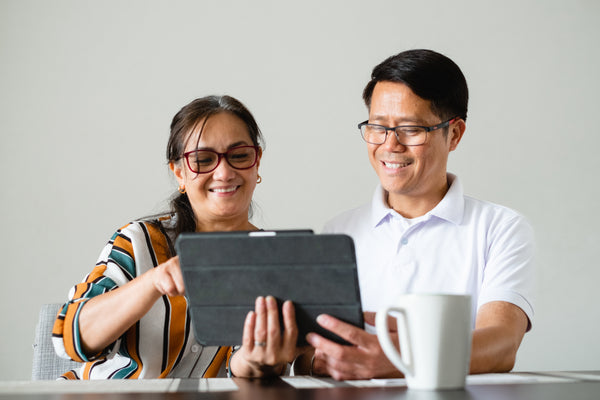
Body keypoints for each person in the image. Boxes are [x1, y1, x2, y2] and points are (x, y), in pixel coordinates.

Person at [302, 49, 535, 380]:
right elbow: (313, 349)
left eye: (410, 129)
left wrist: (400, 357)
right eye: (378, 127)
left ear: (453, 134)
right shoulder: (338, 231)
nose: (390, 145)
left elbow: (501, 344)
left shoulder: (501, 229)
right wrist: (315, 360)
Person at [52, 95, 298, 379]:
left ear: (257, 163)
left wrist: (256, 361)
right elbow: (69, 338)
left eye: (239, 155)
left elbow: (244, 368)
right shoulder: (139, 241)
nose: (224, 172)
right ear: (179, 173)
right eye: (203, 160)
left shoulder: (278, 259)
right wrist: (154, 281)